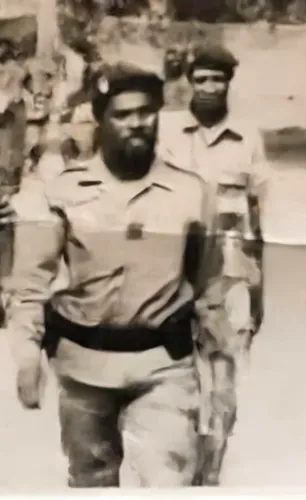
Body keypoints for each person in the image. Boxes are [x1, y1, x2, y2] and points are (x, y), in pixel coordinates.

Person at [4, 61, 216, 488]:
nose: (137, 123)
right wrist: (26, 355)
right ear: (100, 120)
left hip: (164, 367)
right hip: (83, 369)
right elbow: (29, 284)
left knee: (170, 482)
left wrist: (221, 374)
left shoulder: (191, 193)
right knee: (91, 480)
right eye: (122, 114)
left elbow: (210, 286)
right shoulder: (59, 193)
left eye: (146, 112)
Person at [158, 42, 269, 485]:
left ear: (229, 84)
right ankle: (179, 465)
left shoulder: (248, 138)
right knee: (173, 377)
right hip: (172, 273)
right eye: (200, 79)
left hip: (229, 275)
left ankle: (211, 473)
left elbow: (257, 219)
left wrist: (259, 288)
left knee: (224, 379)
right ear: (188, 82)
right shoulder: (164, 132)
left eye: (217, 80)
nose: (208, 88)